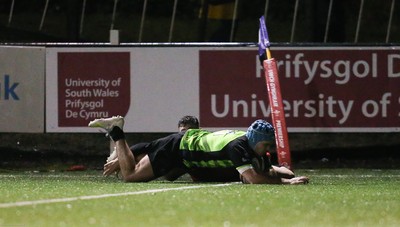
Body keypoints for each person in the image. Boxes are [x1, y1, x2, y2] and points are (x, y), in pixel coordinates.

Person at [89, 116, 309, 184]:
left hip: (182, 155)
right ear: (257, 140)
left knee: (169, 175)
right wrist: (288, 182)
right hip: (178, 149)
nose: (269, 149)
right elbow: (253, 179)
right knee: (130, 175)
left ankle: (120, 145)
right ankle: (117, 131)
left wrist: (287, 172)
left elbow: (275, 169)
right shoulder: (238, 147)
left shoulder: (248, 143)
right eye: (268, 145)